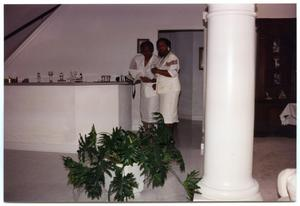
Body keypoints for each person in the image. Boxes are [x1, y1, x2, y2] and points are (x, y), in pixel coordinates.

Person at [151, 38, 181, 135]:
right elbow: (161, 76)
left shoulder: (172, 57)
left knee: (168, 117)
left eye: (162, 46)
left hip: (170, 91)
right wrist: (157, 84)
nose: (160, 48)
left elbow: (173, 73)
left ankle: (169, 141)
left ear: (168, 47)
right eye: (158, 46)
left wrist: (157, 71)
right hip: (164, 90)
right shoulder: (162, 59)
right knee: (164, 116)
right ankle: (165, 140)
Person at [129, 40, 160, 129]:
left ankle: (152, 133)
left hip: (153, 90)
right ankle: (146, 131)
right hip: (143, 89)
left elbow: (161, 76)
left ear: (152, 49)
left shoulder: (157, 60)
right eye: (144, 51)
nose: (146, 53)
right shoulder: (137, 59)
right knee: (144, 111)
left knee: (152, 111)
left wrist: (152, 80)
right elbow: (132, 72)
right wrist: (139, 78)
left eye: (148, 50)